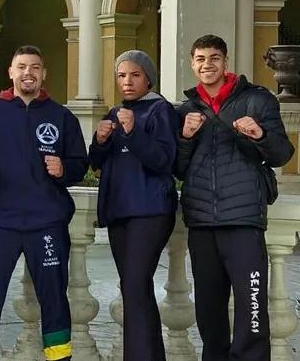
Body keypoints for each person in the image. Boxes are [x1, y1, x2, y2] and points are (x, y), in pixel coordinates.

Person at [0, 45, 89, 361]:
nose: (27, 73)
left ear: (43, 73)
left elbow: (79, 164)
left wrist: (65, 169)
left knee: (54, 298)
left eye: (34, 67)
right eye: (21, 66)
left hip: (46, 223)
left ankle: (59, 357)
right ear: (11, 72)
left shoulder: (62, 116)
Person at [176, 34, 294, 361]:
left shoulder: (257, 100)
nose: (207, 65)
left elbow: (283, 153)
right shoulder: (186, 109)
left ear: (225, 61)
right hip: (201, 221)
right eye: (200, 59)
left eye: (214, 58)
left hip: (243, 220)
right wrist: (185, 136)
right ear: (192, 63)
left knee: (251, 305)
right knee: (209, 310)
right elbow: (178, 168)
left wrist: (260, 134)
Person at [88, 50, 177, 361]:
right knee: (133, 289)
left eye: (135, 75)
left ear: (148, 78)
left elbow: (164, 160)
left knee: (136, 285)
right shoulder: (115, 112)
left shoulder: (160, 110)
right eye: (122, 75)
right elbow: (97, 164)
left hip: (150, 212)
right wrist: (99, 141)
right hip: (119, 212)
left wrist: (133, 133)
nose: (127, 81)